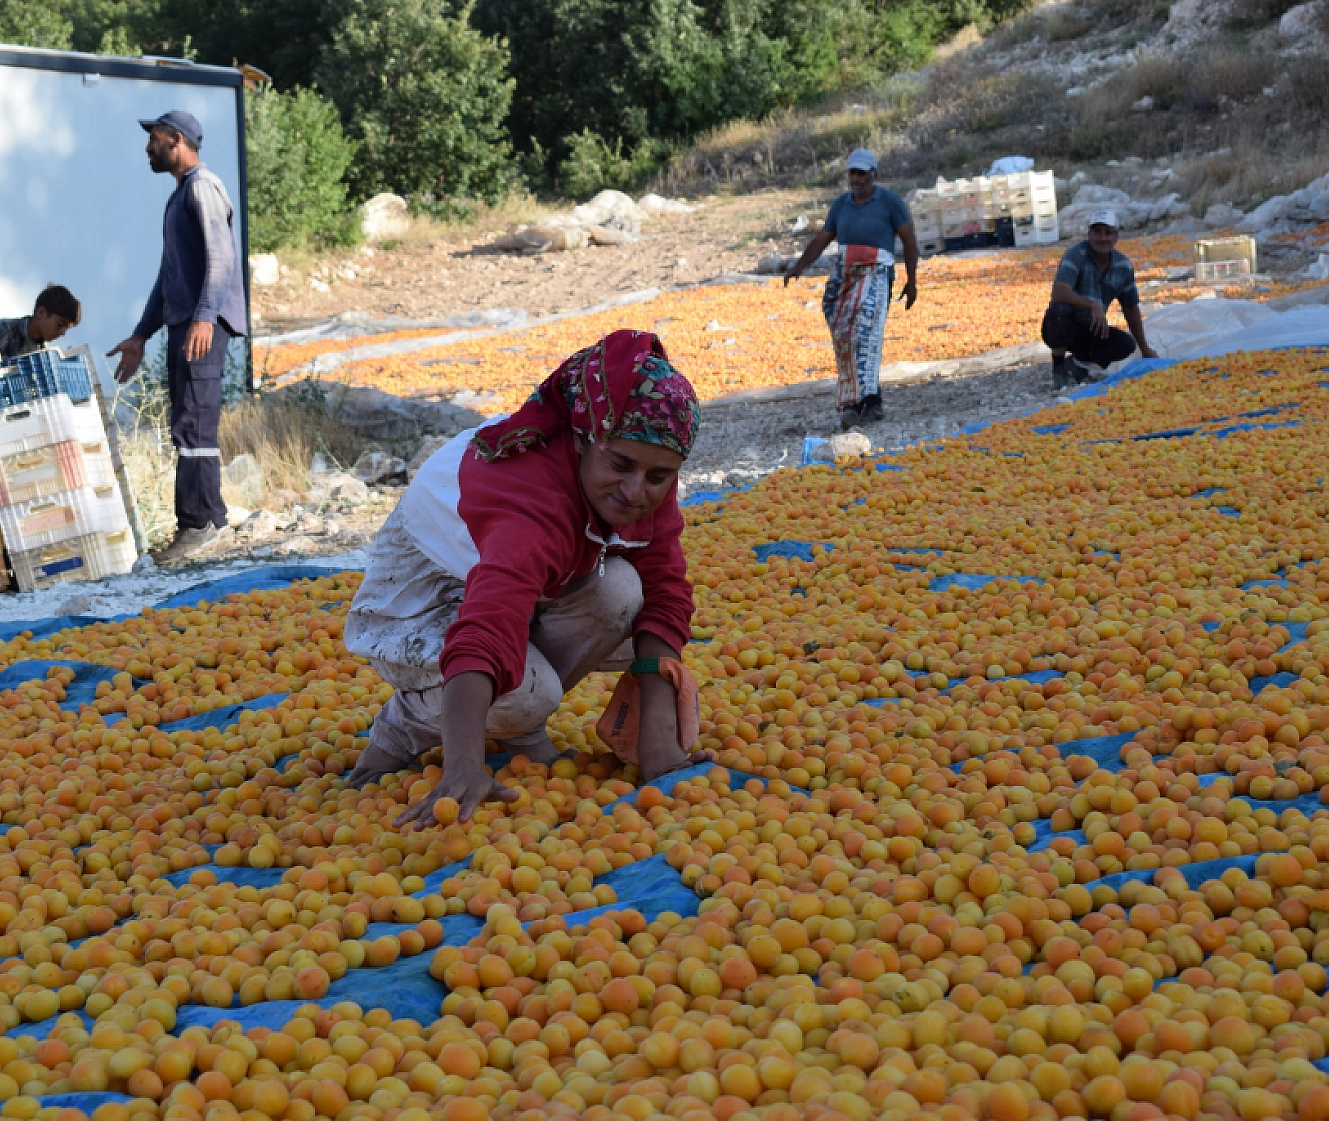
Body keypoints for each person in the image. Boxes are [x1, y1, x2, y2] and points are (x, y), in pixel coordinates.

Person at [343, 329, 704, 826]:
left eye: (658, 477)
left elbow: (665, 591)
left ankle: (516, 725)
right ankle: (403, 727)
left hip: (512, 579)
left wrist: (659, 745)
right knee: (530, 692)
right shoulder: (533, 511)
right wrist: (462, 767)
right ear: (582, 440)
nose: (635, 491)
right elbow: (487, 629)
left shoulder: (640, 471)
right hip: (424, 590)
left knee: (624, 593)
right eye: (620, 466)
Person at [107, 110, 247, 566]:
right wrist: (140, 335)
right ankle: (203, 520)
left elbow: (222, 258)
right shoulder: (181, 195)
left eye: (155, 139)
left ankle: (200, 525)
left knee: (196, 420)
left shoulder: (203, 187)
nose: (148, 147)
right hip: (187, 320)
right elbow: (170, 277)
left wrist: (205, 316)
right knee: (188, 419)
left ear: (177, 140)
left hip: (201, 323)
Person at [783, 149, 918, 430]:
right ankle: (856, 400)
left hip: (876, 274)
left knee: (865, 334)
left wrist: (912, 280)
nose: (857, 179)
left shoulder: (890, 202)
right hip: (845, 275)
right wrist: (799, 266)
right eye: (852, 174)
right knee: (844, 336)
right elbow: (822, 239)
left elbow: (908, 240)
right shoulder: (841, 205)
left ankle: (867, 402)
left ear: (873, 174)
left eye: (862, 173)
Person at [1043, 210, 1158, 390]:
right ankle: (1058, 367)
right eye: (1097, 232)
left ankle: (1078, 364)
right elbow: (1058, 292)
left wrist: (1144, 348)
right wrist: (1092, 305)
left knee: (1126, 344)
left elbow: (1130, 307)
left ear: (1115, 237)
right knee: (1060, 311)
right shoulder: (1076, 254)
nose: (1102, 238)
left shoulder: (1123, 266)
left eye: (1108, 232)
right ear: (1089, 235)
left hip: (1092, 329)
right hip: (1066, 325)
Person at [0, 285, 81, 361]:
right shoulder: (6, 329)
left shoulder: (46, 357)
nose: (62, 333)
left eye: (66, 329)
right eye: (60, 324)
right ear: (41, 312)